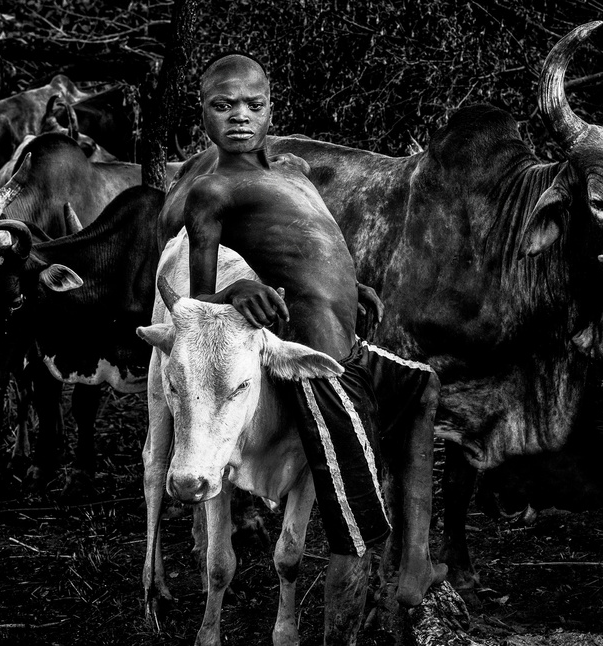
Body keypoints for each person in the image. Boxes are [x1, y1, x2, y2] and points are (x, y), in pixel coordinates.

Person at [182, 53, 446, 637]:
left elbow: (305, 251)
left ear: (272, 107)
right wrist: (236, 286)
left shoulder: (293, 173)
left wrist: (351, 286)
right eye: (223, 107)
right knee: (352, 522)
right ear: (203, 115)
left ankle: (416, 565)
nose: (240, 118)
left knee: (423, 386)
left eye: (253, 105)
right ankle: (335, 634)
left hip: (349, 346)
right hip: (316, 370)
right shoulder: (212, 192)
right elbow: (198, 311)